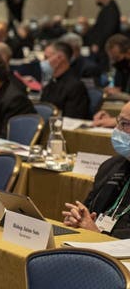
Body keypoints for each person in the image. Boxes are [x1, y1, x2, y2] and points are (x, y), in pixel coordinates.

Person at [63, 101, 130, 238]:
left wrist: (99, 235)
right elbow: (88, 210)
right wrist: (78, 219)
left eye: (125, 123)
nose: (116, 130)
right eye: (118, 122)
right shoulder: (111, 166)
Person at [40, 41, 90, 119]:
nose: (43, 61)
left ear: (60, 58)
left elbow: (71, 120)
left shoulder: (75, 86)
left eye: (47, 57)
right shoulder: (51, 83)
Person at [86, 0, 120, 64]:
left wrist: (98, 43)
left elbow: (108, 29)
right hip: (102, 44)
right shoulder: (106, 8)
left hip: (105, 45)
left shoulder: (111, 9)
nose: (96, 0)